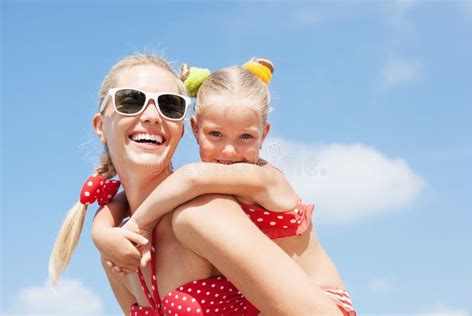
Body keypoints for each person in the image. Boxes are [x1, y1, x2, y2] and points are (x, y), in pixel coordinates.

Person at [49, 54, 347, 315]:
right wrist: (101, 231)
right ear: (101, 125)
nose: (152, 116)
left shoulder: (201, 214)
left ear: (182, 129)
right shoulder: (116, 252)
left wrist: (131, 226)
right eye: (130, 100)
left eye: (170, 105)